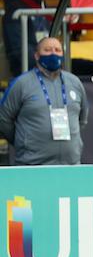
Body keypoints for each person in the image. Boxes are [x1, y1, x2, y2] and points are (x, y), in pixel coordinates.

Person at [0, 37, 88, 166]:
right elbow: (3, 119)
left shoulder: (74, 82)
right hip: (32, 165)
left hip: (71, 164)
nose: (53, 53)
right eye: (47, 50)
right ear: (36, 55)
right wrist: (23, 140)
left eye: (57, 50)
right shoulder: (21, 84)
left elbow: (82, 119)